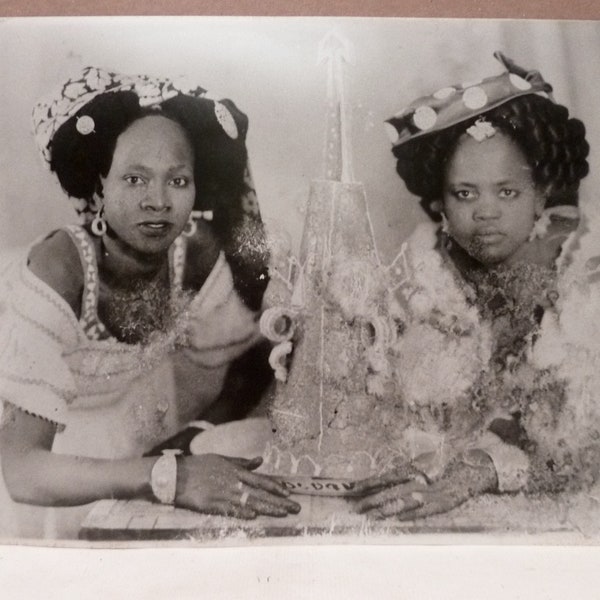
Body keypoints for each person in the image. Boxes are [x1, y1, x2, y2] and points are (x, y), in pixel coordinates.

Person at [0, 66, 299, 539]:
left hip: (139, 453)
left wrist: (199, 430)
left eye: (177, 181)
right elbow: (20, 471)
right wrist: (170, 476)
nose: (158, 201)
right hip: (52, 477)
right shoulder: (60, 268)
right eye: (135, 179)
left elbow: (261, 351)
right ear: (99, 188)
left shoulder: (194, 251)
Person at [352, 52, 600, 520]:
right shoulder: (424, 274)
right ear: (440, 202)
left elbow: (584, 448)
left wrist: (480, 470)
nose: (485, 213)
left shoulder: (582, 275)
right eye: (464, 193)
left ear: (541, 194)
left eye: (507, 192)